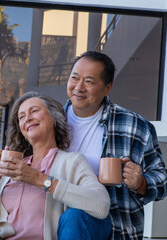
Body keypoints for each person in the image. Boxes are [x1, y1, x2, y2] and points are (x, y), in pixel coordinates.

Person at [0, 92, 111, 240]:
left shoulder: (72, 162)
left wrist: (39, 179)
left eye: (34, 111)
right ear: (22, 131)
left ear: (54, 119)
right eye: (22, 116)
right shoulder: (14, 165)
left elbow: (101, 204)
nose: (27, 118)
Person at [64, 51, 167, 239]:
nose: (79, 87)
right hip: (53, 223)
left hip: (114, 228)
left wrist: (141, 182)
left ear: (107, 88)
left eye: (89, 81)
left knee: (75, 216)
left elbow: (162, 179)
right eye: (74, 78)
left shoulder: (136, 126)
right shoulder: (50, 123)